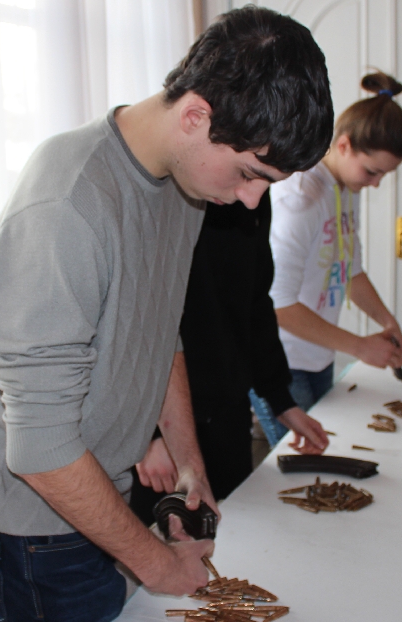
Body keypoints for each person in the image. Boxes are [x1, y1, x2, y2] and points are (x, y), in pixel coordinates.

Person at [0, 6, 334, 622]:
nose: (251, 201)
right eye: (250, 174)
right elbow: (39, 449)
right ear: (196, 116)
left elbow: (160, 331)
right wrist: (156, 564)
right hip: (33, 520)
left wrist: (188, 460)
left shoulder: (183, 184)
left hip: (96, 489)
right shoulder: (67, 207)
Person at [130, 191, 331, 523]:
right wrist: (147, 437)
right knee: (162, 541)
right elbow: (133, 322)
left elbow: (256, 302)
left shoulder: (254, 197)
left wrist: (281, 400)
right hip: (161, 424)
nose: (254, 194)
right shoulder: (160, 192)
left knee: (237, 530)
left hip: (228, 412)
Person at [251, 73, 402, 445]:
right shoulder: (301, 199)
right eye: (372, 172)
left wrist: (387, 321)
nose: (375, 184)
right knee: (303, 463)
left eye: (384, 175)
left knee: (321, 454)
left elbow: (351, 271)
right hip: (280, 363)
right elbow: (278, 304)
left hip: (318, 356)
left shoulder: (346, 187)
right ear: (343, 145)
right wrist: (359, 346)